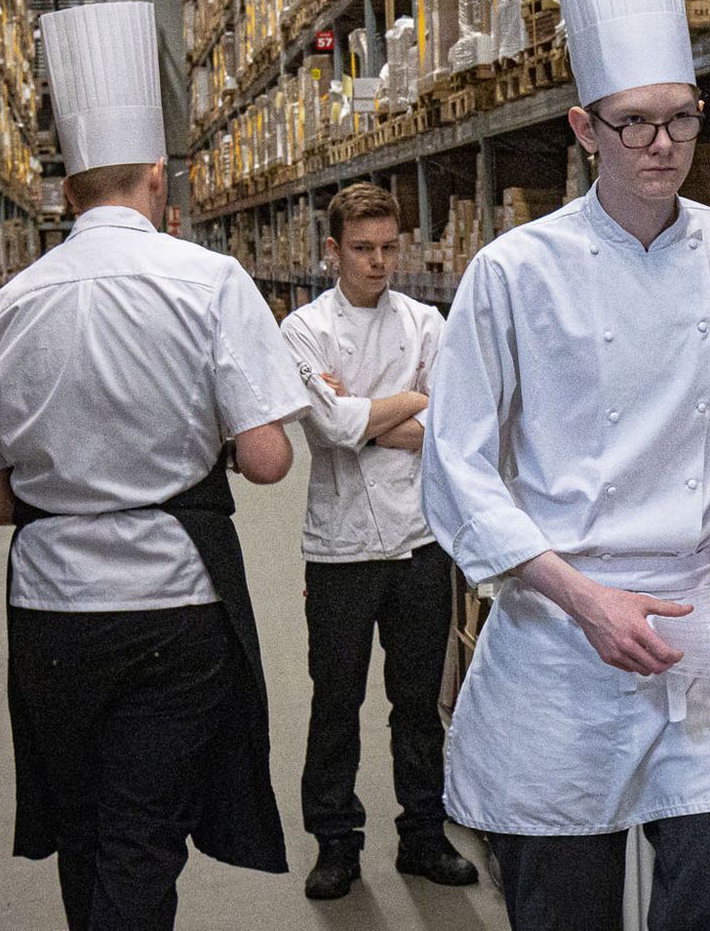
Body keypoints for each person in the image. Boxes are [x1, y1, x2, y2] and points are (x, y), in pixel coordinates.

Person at [420, 0, 710, 931]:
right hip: (561, 641)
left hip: (701, 633)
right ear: (584, 127)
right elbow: (456, 464)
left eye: (680, 117)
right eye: (633, 122)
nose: (661, 143)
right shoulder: (514, 271)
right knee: (565, 906)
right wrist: (583, 598)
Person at [0, 1, 310, 931]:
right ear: (158, 179)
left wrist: (70, 482)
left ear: (68, 194)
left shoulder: (12, 304)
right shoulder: (209, 282)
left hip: (53, 610)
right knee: (143, 839)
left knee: (86, 828)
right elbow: (268, 459)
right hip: (174, 602)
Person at [278, 182, 478, 898]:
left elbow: (452, 425)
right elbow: (332, 428)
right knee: (335, 703)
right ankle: (336, 844)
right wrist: (412, 400)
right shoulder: (302, 329)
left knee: (418, 703)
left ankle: (422, 836)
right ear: (334, 251)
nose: (379, 262)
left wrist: (365, 414)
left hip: (419, 539)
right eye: (363, 249)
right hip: (340, 546)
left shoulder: (426, 322)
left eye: (390, 248)